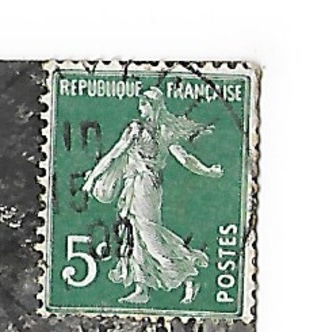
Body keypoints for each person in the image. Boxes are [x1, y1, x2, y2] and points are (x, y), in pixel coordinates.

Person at [82, 88, 224, 306]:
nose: (141, 109)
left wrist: (93, 178)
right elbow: (116, 154)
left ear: (153, 106)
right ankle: (141, 288)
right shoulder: (155, 130)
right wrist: (208, 171)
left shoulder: (144, 130)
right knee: (136, 234)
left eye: (144, 104)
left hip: (145, 187)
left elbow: (115, 155)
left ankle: (189, 274)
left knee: (150, 236)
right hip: (143, 186)